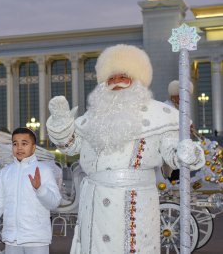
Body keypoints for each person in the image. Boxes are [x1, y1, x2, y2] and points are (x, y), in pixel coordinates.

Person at [46, 44, 205, 254]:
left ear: (137, 80)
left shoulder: (161, 115)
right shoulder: (93, 117)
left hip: (134, 201)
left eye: (123, 76)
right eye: (111, 78)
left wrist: (186, 153)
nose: (116, 82)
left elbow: (170, 149)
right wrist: (60, 123)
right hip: (95, 203)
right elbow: (70, 146)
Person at [0, 127, 61, 254]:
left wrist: (40, 189)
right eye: (15, 144)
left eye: (24, 144)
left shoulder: (44, 170)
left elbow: (54, 203)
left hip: (36, 240)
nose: (19, 148)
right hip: (11, 240)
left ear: (33, 147)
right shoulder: (4, 173)